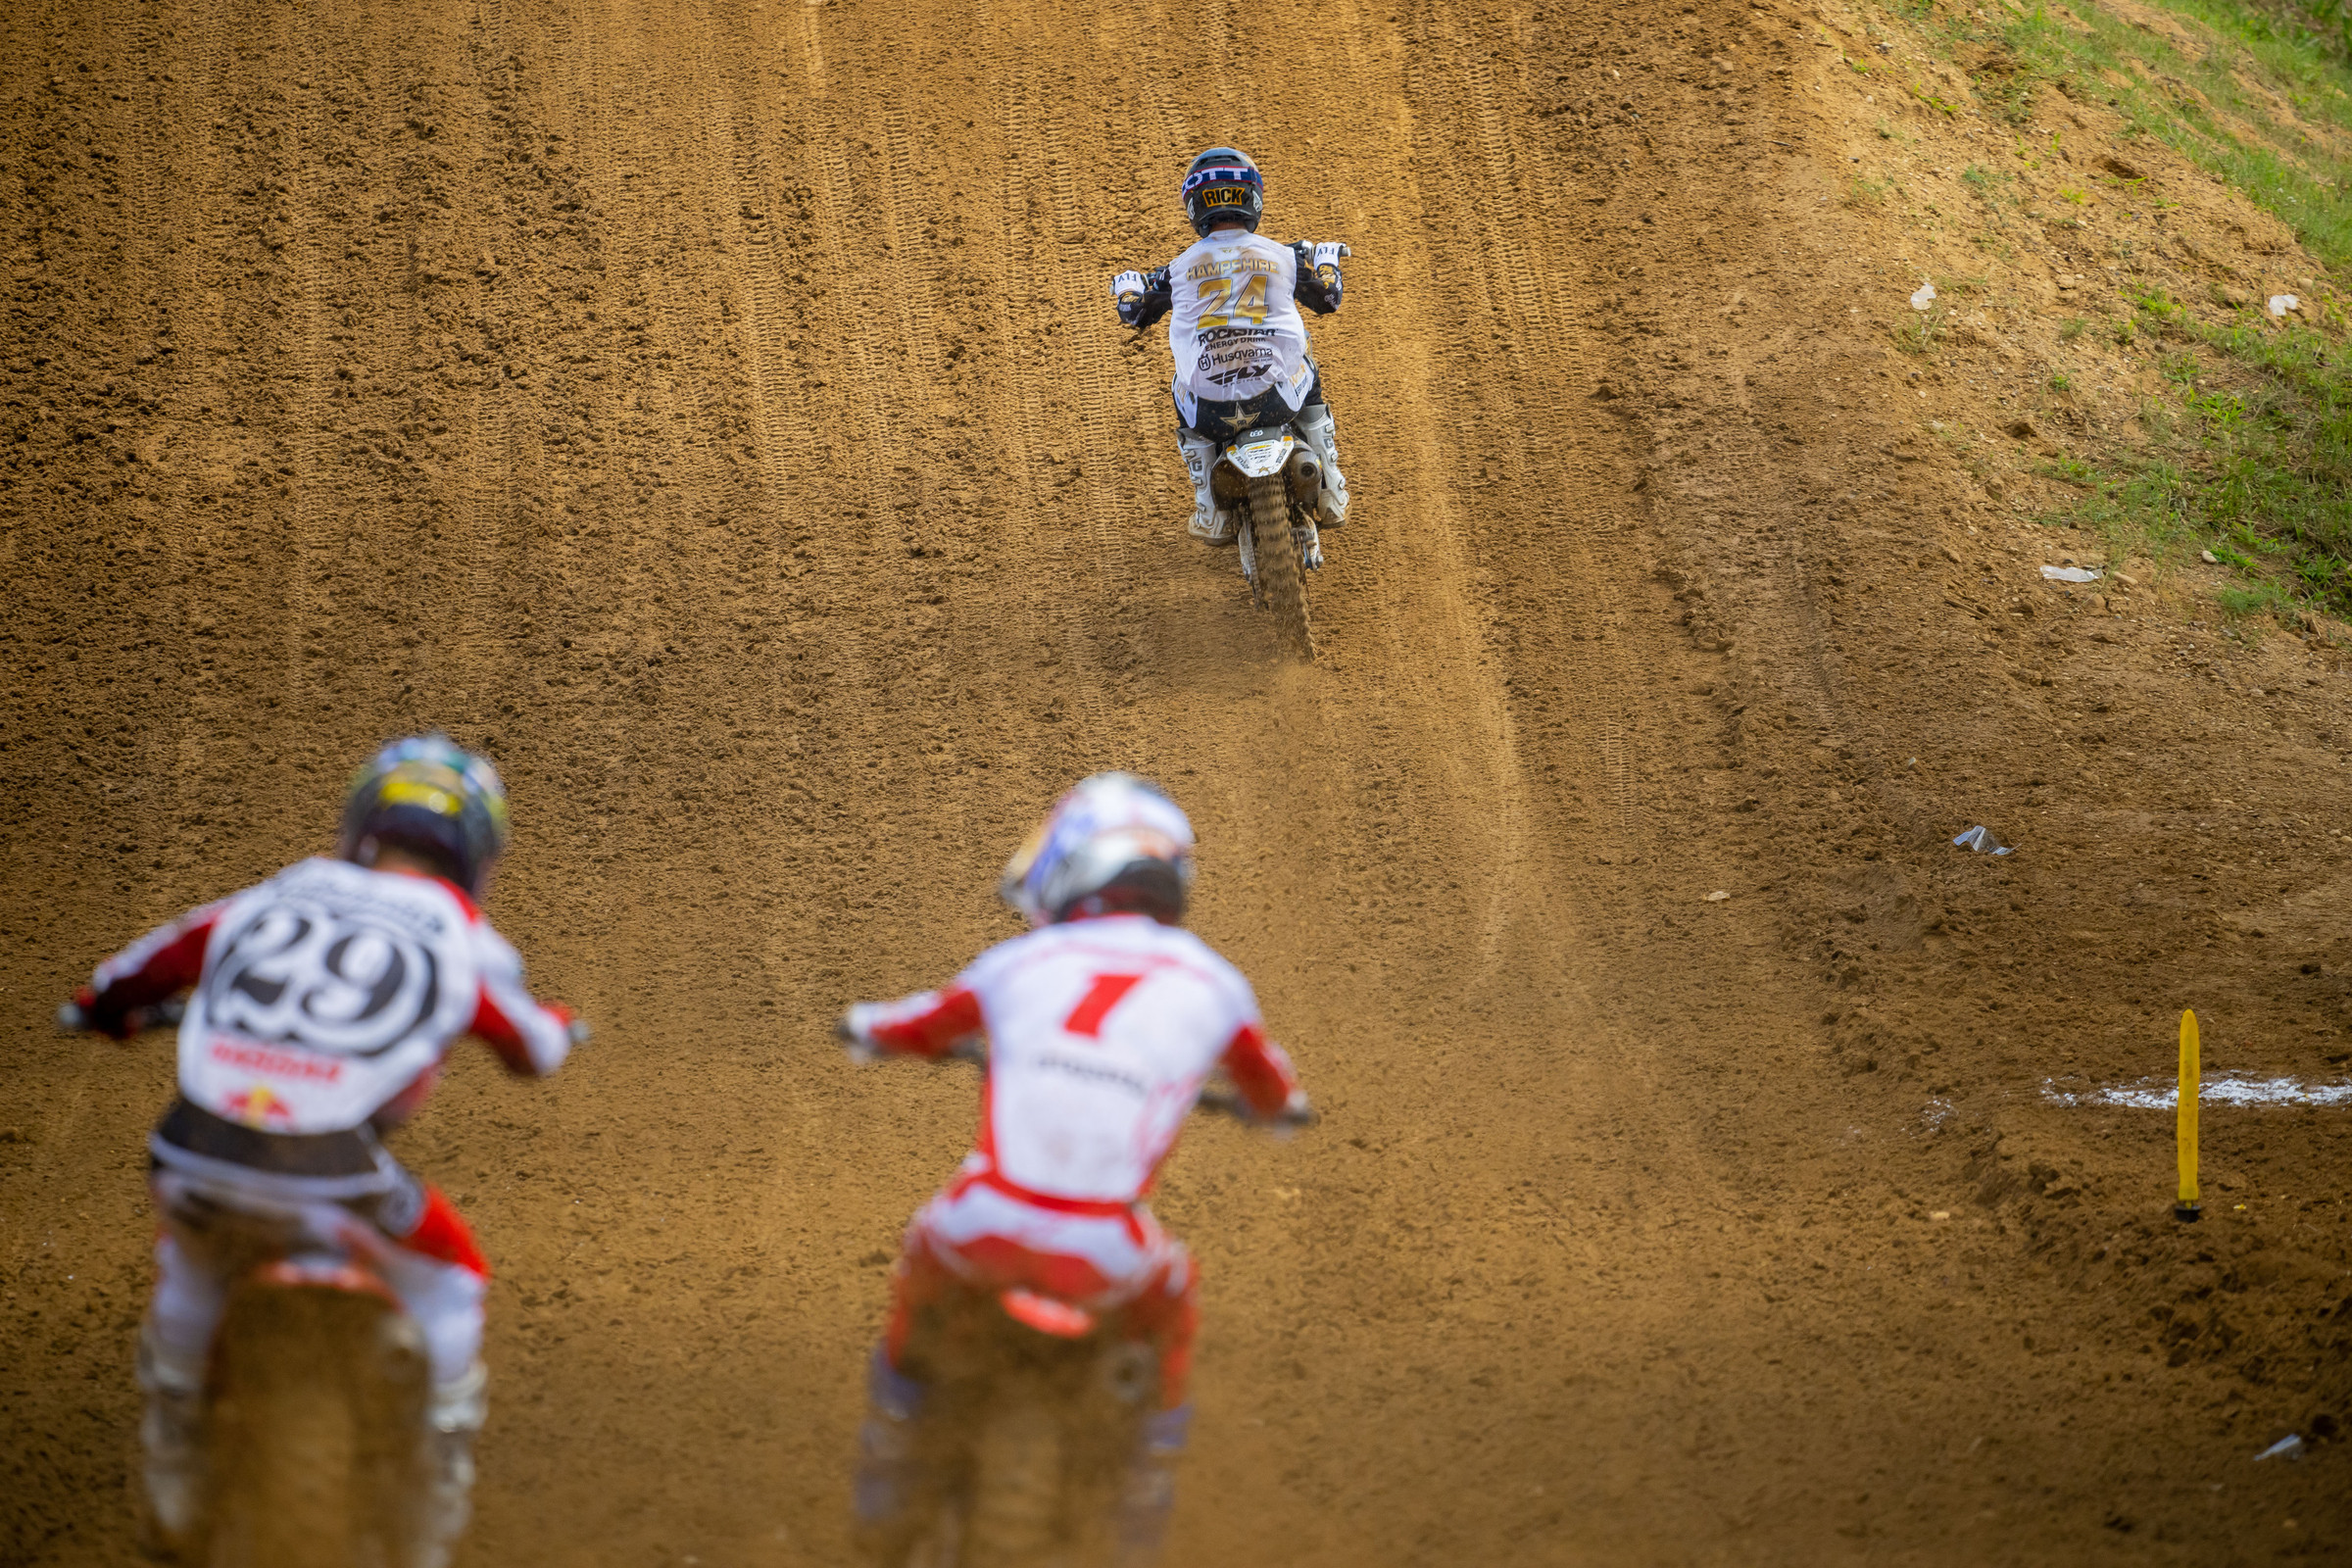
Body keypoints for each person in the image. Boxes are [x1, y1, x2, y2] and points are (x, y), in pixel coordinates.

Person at [64, 734, 581, 1562]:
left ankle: (174, 1467)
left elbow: (152, 961)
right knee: (451, 1281)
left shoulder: (282, 890)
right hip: (334, 1176)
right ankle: (434, 1500)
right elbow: (532, 1047)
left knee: (192, 1267)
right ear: (476, 852)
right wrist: (554, 1029)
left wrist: (102, 1006)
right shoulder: (460, 931)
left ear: (362, 826)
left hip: (194, 1154)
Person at [838, 772, 1311, 1561]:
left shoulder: (1021, 961)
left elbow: (913, 1025)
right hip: (1107, 1253)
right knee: (1175, 1308)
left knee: (918, 1276)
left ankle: (886, 1473)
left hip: (982, 1224)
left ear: (1076, 863)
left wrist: (861, 1027)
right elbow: (1273, 1089)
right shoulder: (1216, 983)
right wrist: (1275, 1111)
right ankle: (1140, 1509)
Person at [1112, 147, 1352, 557]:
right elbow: (1328, 299)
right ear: (1252, 199)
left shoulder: (1176, 271)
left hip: (1209, 411)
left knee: (1179, 383)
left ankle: (1209, 505)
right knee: (1306, 363)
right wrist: (1328, 263)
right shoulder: (1283, 256)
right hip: (1277, 399)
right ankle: (1329, 484)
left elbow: (1133, 314)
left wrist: (1130, 286)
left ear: (1194, 205)